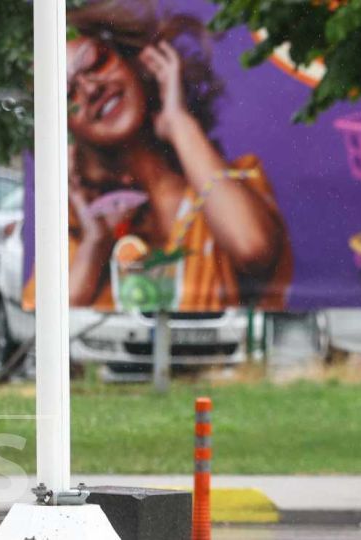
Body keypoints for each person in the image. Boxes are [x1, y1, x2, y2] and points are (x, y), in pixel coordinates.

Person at [24, 0, 292, 312]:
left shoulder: (236, 180)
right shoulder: (80, 225)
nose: (91, 89)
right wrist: (96, 242)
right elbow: (43, 320)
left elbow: (253, 249)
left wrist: (178, 123)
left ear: (138, 63)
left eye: (96, 63)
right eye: (68, 94)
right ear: (67, 128)